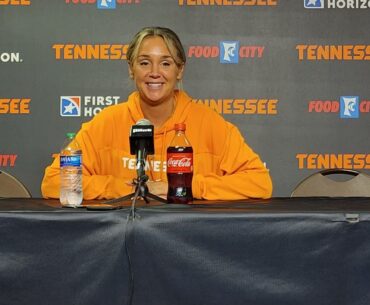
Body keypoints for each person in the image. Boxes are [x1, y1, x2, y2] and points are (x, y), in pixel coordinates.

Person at [41, 27, 272, 201]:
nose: (154, 73)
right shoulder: (106, 122)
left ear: (180, 70)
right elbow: (53, 182)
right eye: (144, 63)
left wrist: (187, 187)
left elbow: (260, 183)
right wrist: (131, 188)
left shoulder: (209, 123)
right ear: (131, 69)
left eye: (165, 64)